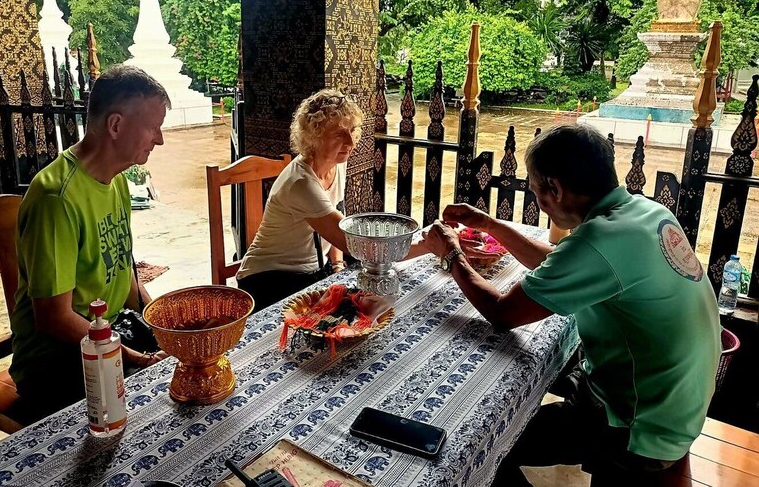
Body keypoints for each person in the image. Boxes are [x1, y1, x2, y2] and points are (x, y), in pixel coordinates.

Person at [421, 123, 721, 486]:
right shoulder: (644, 212)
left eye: (535, 192)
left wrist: (451, 253)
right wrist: (490, 225)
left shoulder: (599, 240)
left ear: (556, 189)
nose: (537, 201)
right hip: (679, 402)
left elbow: (502, 312)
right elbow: (562, 261)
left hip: (639, 424)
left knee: (485, 448)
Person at [9, 65, 170, 422]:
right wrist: (134, 357)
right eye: (153, 126)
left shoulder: (117, 182)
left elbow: (126, 278)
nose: (159, 139)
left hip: (111, 335)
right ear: (115, 126)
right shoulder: (56, 197)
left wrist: (165, 327)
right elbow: (54, 318)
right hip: (57, 362)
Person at [236, 89, 362, 310]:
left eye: (352, 131)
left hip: (311, 272)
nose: (350, 142)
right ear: (313, 137)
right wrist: (424, 245)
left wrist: (337, 265)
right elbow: (350, 240)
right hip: (268, 279)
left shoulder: (337, 164)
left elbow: (332, 225)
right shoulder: (301, 183)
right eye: (339, 134)